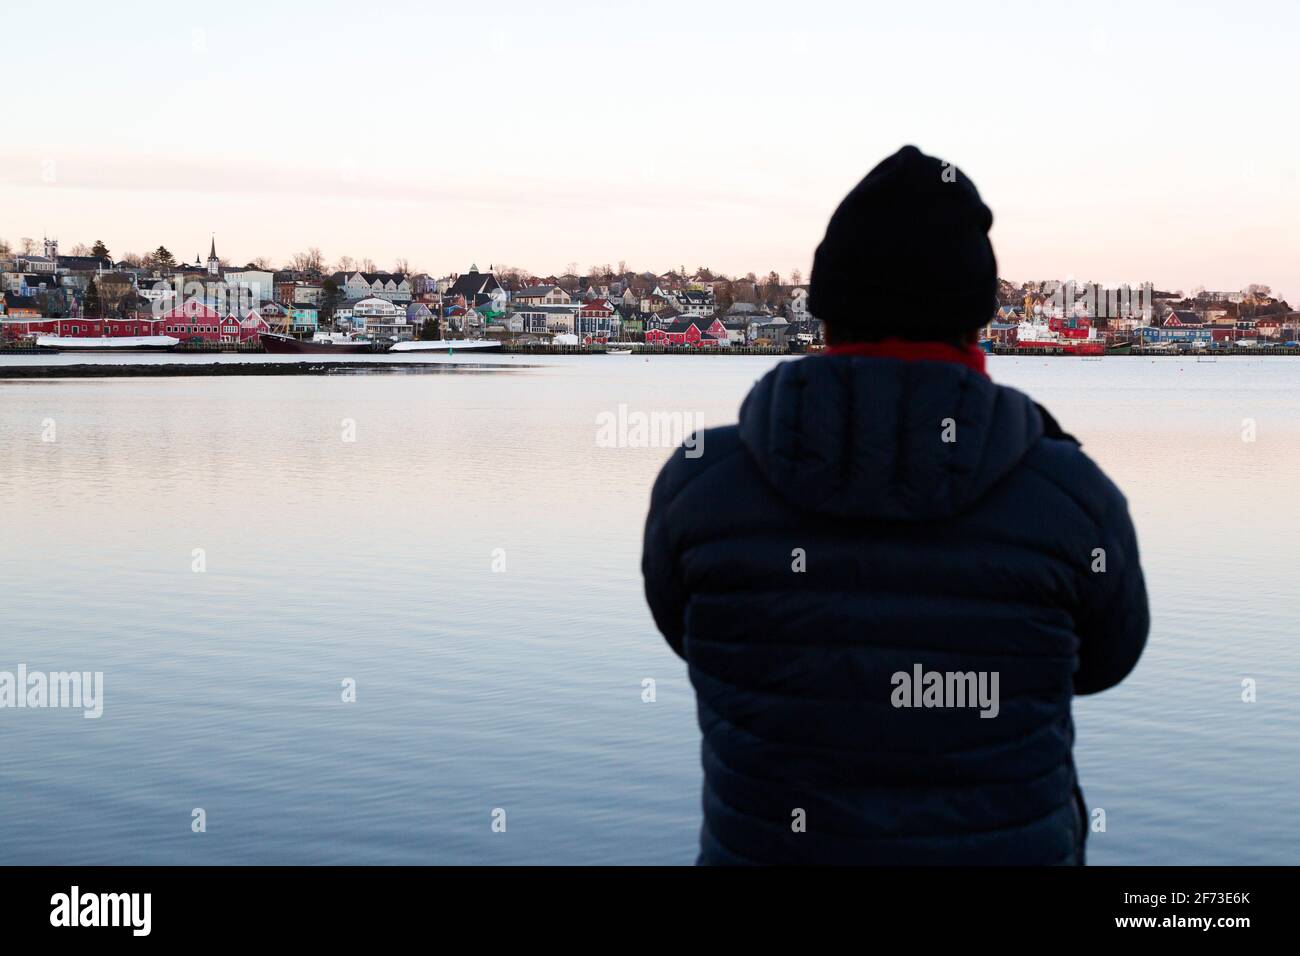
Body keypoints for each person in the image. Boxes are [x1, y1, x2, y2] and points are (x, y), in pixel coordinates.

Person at [641, 145, 1149, 865]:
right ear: (976, 322)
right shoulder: (1069, 497)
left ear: (824, 315)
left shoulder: (699, 485)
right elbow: (1104, 663)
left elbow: (688, 634)